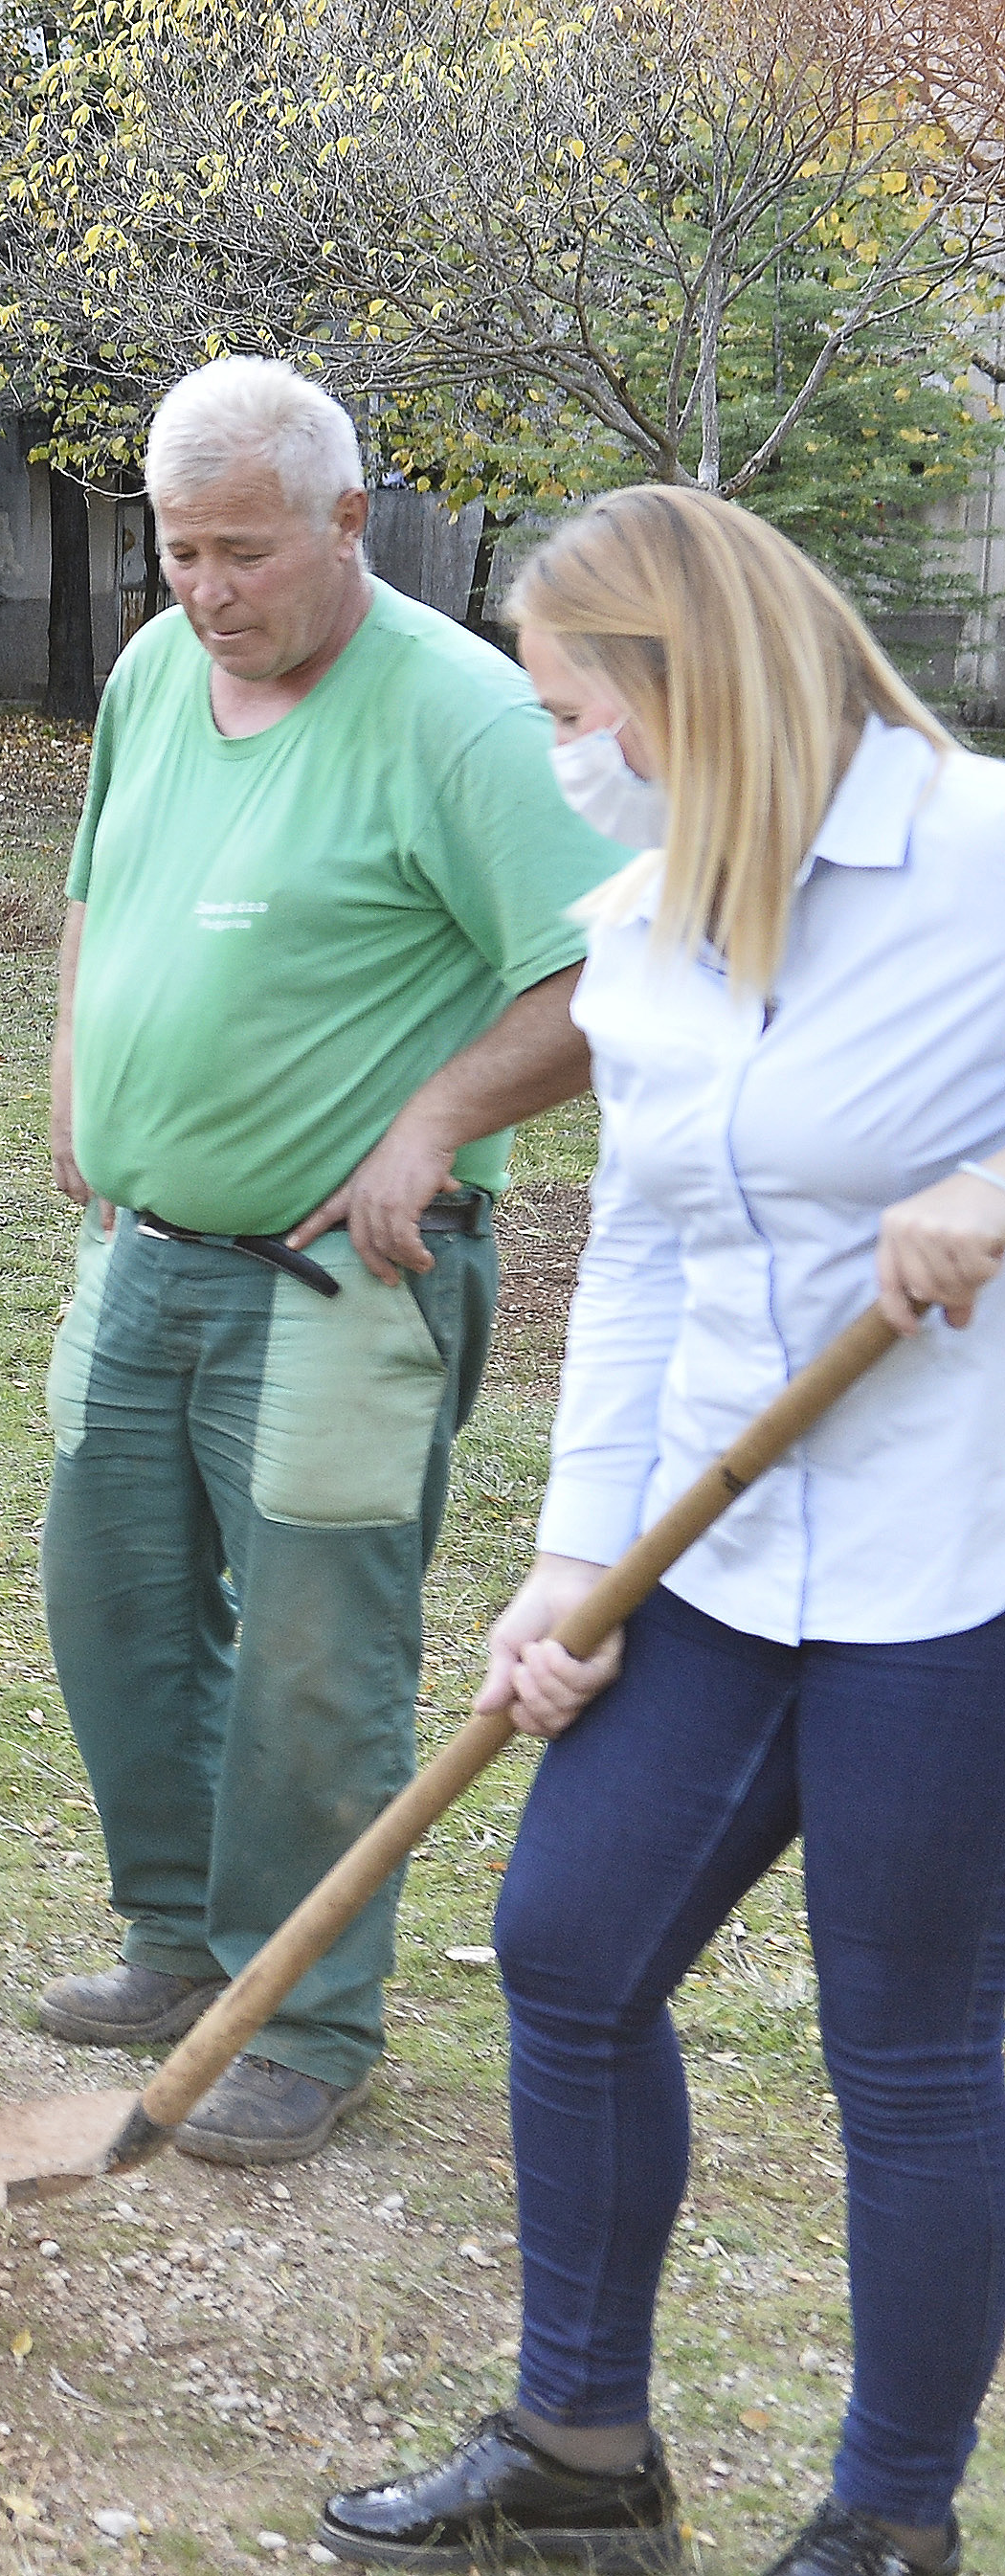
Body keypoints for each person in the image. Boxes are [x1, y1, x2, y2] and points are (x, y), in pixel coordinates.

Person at [321, 489, 1005, 2576]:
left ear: (681, 690)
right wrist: (563, 1558)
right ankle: (581, 2448)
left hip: (946, 1573)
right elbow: (635, 1265)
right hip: (704, 1554)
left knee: (902, 2042)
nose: (558, 760)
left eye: (566, 711)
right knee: (566, 1947)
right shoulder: (641, 938)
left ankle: (886, 2517)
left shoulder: (974, 859)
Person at [35, 356, 626, 2163]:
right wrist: (76, 1078)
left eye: (242, 552)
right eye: (177, 551)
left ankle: (303, 2012)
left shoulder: (458, 712)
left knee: (312, 1656)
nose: (205, 592)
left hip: (343, 1285)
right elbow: (94, 894)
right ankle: (177, 1940)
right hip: (142, 1252)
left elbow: (601, 972)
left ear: (352, 519)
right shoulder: (154, 674)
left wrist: (430, 1122)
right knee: (113, 1611)